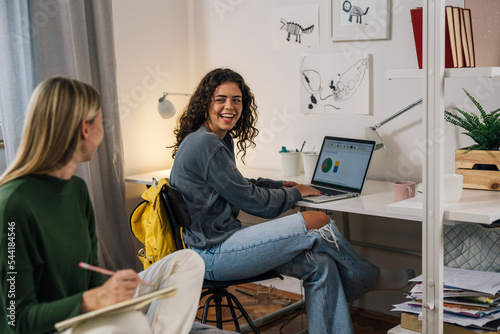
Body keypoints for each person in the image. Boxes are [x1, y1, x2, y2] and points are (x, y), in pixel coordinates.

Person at [169, 68, 414, 334]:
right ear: (206, 102)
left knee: (321, 265)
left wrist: (280, 184)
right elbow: (256, 204)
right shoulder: (208, 144)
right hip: (213, 254)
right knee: (319, 221)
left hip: (216, 245)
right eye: (221, 99)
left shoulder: (214, 139)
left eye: (236, 100)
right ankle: (369, 276)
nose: (230, 106)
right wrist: (295, 194)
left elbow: (238, 184)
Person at [0, 77, 234, 334]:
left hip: (89, 311)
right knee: (130, 323)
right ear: (84, 129)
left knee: (188, 261)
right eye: (101, 121)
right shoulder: (13, 204)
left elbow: (89, 275)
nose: (104, 129)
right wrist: (93, 300)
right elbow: (16, 319)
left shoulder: (76, 190)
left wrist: (111, 290)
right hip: (59, 325)